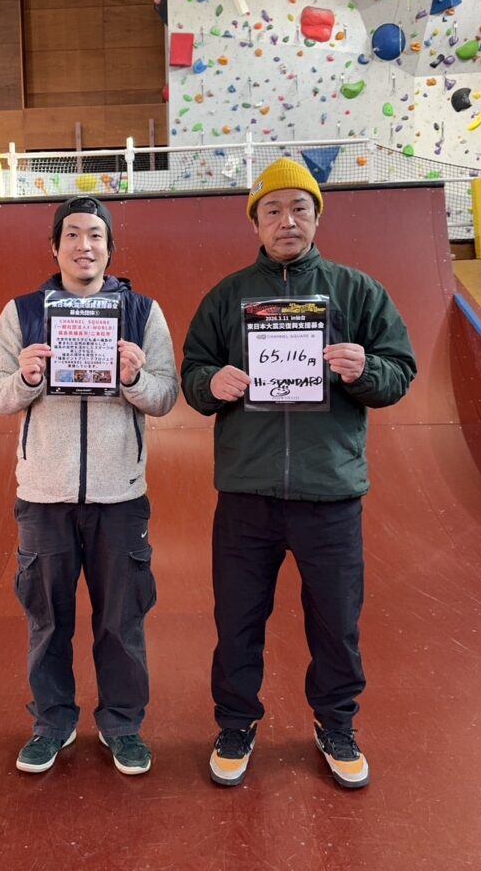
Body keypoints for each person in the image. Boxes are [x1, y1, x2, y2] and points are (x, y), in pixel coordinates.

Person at [181, 158, 416, 790]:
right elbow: (192, 373)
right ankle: (236, 723)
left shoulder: (357, 291)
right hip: (246, 494)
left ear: (317, 217)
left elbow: (400, 371)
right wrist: (211, 383)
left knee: (337, 622)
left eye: (300, 209)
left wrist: (366, 369)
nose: (287, 221)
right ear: (255, 222)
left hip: (329, 492)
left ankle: (336, 724)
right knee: (237, 620)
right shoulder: (228, 297)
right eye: (273, 210)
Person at [0, 195, 178, 777]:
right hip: (44, 495)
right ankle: (52, 723)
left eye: (95, 234)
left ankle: (123, 725)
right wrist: (26, 378)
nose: (84, 245)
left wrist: (135, 377)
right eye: (71, 234)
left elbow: (166, 395)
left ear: (109, 248)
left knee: (122, 620)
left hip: (121, 495)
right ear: (54, 247)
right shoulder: (23, 313)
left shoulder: (142, 313)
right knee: (47, 620)